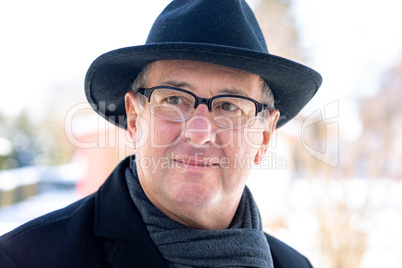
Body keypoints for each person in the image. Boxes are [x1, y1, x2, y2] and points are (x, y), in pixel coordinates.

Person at [0, 0, 322, 267]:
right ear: (135, 119)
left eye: (229, 107)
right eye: (174, 99)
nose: (199, 132)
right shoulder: (26, 259)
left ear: (263, 137)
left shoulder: (295, 265)